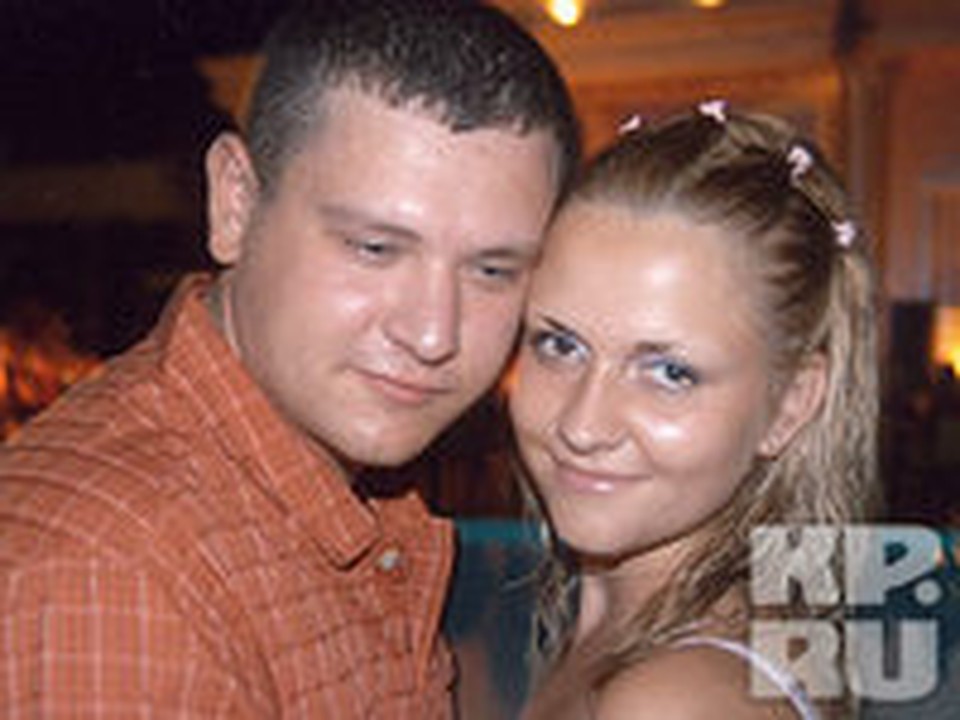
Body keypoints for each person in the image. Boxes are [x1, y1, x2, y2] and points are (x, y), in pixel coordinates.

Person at [0, 1, 579, 717]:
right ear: (235, 203)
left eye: (492, 271)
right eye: (375, 248)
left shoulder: (341, 498)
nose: (434, 333)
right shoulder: (110, 579)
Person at [508, 103, 879, 719]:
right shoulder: (628, 639)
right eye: (560, 345)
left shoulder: (669, 702)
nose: (582, 425)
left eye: (669, 373)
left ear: (788, 407)